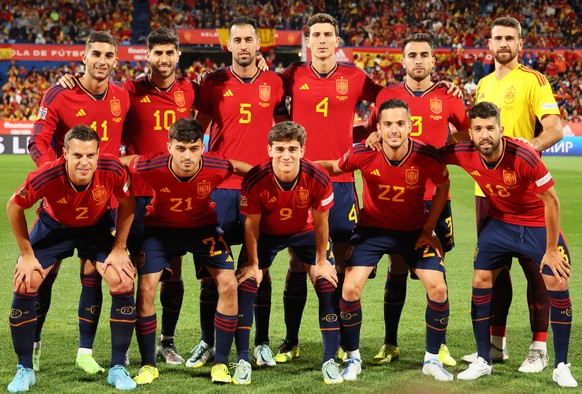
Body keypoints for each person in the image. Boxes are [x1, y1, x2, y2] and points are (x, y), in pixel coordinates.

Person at [57, 27, 199, 369]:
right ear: (146, 56)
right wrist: (72, 80)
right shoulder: (129, 90)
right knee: (101, 268)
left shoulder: (192, 88)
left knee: (171, 271)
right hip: (130, 194)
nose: (163, 60)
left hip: (171, 193)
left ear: (178, 55)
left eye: (170, 53)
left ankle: (166, 341)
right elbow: (98, 96)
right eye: (157, 53)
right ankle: (89, 350)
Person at [318, 98, 452, 382]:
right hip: (372, 231)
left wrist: (429, 229)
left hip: (413, 231)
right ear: (378, 128)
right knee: (350, 288)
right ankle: (353, 357)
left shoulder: (426, 155)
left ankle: (431, 359)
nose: (394, 130)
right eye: (388, 124)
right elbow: (332, 166)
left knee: (438, 288)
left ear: (410, 125)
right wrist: (296, 166)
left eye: (400, 124)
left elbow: (443, 186)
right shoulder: (364, 153)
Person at [275, 12, 382, 364]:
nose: (322, 40)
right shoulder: (293, 75)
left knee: (343, 263)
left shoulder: (355, 76)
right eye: (316, 35)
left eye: (328, 35)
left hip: (342, 183)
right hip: (300, 182)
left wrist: (372, 133)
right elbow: (272, 107)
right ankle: (291, 340)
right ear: (308, 41)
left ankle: (340, 341)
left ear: (337, 42)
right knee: (297, 260)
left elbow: (390, 99)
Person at [445, 102, 576, 388]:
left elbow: (552, 201)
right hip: (500, 224)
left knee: (558, 281)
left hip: (536, 224)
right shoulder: (464, 152)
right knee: (480, 278)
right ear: (471, 133)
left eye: (490, 128)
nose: (485, 135)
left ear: (501, 130)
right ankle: (483, 359)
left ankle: (561, 365)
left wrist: (551, 250)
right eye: (478, 129)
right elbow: (430, 152)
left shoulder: (524, 155)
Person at [461, 17, 564, 374]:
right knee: (493, 270)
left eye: (510, 37)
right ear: (488, 44)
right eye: (497, 38)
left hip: (525, 192)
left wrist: (530, 148)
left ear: (521, 43)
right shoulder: (483, 84)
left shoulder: (534, 80)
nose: (503, 43)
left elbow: (555, 128)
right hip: (485, 192)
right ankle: (495, 343)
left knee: (537, 270)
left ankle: (539, 347)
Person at [27, 31, 130, 374]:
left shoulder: (122, 95)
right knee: (43, 275)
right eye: (96, 53)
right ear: (84, 57)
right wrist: (55, 179)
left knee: (95, 274)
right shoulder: (59, 93)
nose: (102, 61)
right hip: (60, 204)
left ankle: (85, 353)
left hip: (103, 203)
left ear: (116, 60)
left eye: (108, 55)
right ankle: (35, 344)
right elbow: (38, 140)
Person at [187, 16, 286, 371]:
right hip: (220, 190)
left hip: (260, 190)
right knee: (211, 269)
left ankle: (261, 342)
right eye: (238, 40)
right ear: (228, 45)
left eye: (249, 40)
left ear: (259, 46)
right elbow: (194, 132)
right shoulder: (211, 84)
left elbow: (286, 127)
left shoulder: (274, 83)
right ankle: (207, 341)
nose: (243, 45)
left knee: (259, 269)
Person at [365, 32, 469, 368]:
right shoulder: (387, 96)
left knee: (436, 271)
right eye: (413, 55)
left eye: (425, 55)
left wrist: (440, 159)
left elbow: (466, 139)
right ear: (404, 60)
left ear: (433, 61)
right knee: (396, 267)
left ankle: (438, 347)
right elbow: (371, 134)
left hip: (434, 197)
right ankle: (390, 343)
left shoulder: (449, 97)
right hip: (396, 198)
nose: (419, 60)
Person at [6, 125, 137, 392]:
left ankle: (116, 368)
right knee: (25, 280)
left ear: (99, 154)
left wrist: (120, 247)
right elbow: (14, 205)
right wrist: (26, 254)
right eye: (77, 155)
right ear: (64, 153)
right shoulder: (46, 175)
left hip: (96, 227)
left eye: (90, 155)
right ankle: (24, 370)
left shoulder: (113, 169)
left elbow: (127, 204)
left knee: (122, 279)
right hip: (54, 227)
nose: (84, 162)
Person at [121, 118, 251, 385]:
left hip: (203, 230)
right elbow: (123, 162)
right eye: (180, 148)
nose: (187, 156)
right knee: (145, 288)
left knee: (228, 285)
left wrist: (268, 177)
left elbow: (240, 168)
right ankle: (148, 365)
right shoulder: (152, 164)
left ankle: (221, 364)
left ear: (202, 148)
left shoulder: (215, 165)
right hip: (160, 231)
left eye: (193, 148)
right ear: (169, 146)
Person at [239, 121, 342, 384]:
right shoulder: (255, 179)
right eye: (281, 149)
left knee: (326, 282)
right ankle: (254, 349)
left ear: (303, 150)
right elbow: (251, 226)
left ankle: (329, 358)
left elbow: (321, 222)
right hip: (267, 233)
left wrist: (322, 260)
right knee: (248, 281)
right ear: (269, 150)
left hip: (304, 230)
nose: (287, 155)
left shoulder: (317, 177)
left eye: (293, 149)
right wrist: (252, 263)